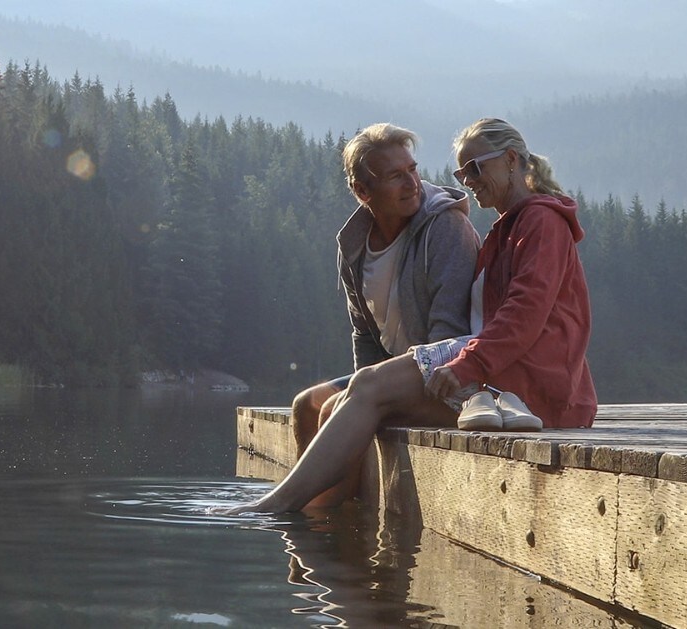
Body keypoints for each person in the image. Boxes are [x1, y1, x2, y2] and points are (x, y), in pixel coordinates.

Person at [218, 118, 596, 514]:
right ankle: (318, 526)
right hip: (504, 377)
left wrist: (470, 366)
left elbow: (525, 314)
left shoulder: (541, 222)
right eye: (460, 172)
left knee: (364, 391)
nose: (467, 180)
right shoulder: (509, 228)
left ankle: (279, 507)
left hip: (535, 391)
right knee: (340, 399)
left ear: (512, 160)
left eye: (475, 168)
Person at [289, 123, 480, 501]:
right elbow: (364, 332)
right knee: (305, 405)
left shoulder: (446, 228)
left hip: (450, 380)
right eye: (395, 176)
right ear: (363, 191)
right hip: (396, 375)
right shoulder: (354, 243)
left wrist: (379, 396)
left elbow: (449, 336)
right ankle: (317, 531)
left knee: (333, 409)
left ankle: (329, 528)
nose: (412, 184)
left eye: (412, 170)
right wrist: (369, 387)